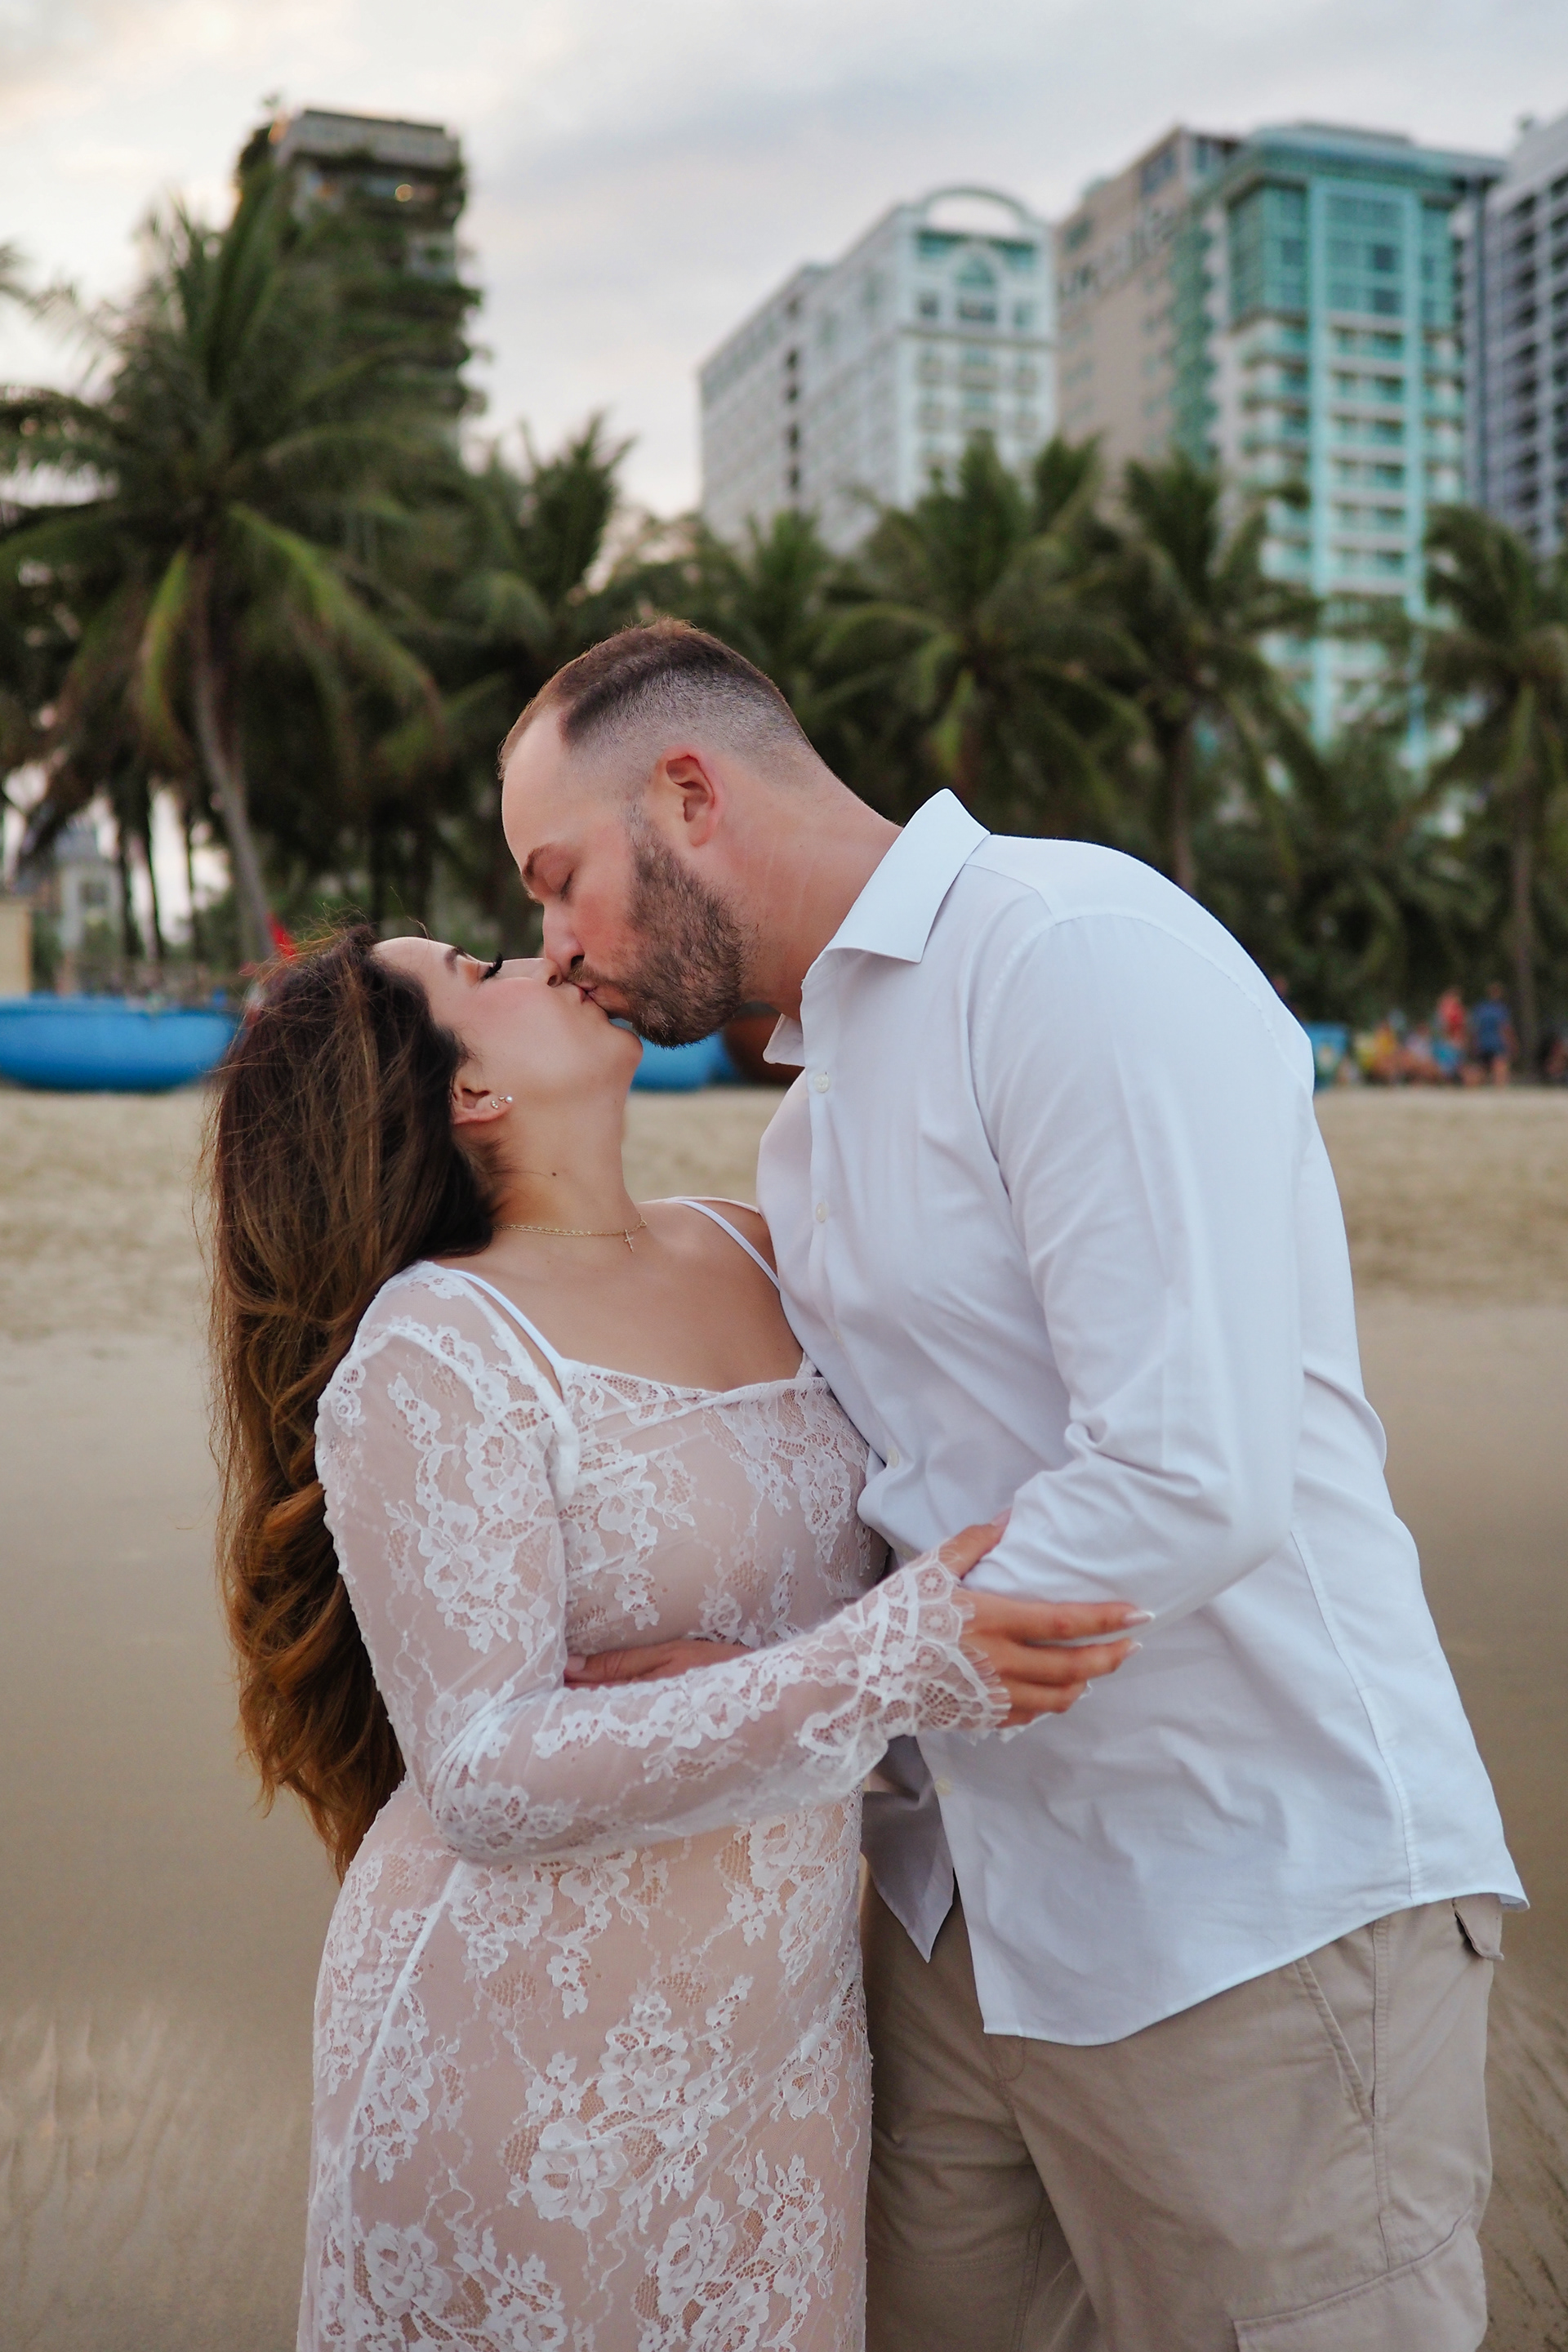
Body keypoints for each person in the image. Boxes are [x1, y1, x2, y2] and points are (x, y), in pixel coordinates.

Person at [501, 619, 1525, 2352]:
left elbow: (1191, 1474)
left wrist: (818, 1691)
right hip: (961, 1922)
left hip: (1244, 1914)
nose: (558, 946)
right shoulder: (810, 1124)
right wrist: (770, 1697)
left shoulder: (1072, 954)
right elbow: (918, 1502)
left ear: (689, 793)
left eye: (559, 879)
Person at [208, 925, 1138, 2350]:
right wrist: (872, 1669)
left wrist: (781, 1685)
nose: (541, 955)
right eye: (481, 969)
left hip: (781, 2044)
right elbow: (485, 1777)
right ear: (472, 1096)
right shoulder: (436, 1350)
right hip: (528, 2071)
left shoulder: (753, 1242)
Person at [1467, 982, 1517, 1085]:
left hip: (1483, 1044)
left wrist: (1473, 1044)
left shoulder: (1480, 1008)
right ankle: (1499, 1092)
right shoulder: (1501, 1009)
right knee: (1500, 1069)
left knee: (1481, 1070)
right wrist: (1512, 1044)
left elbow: (1474, 1029)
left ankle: (1471, 1088)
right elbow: (1505, 1029)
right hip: (1497, 1044)